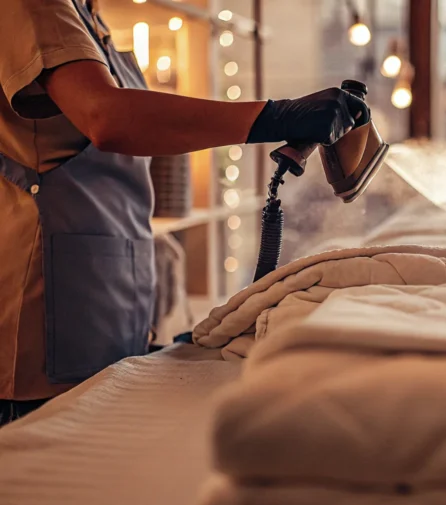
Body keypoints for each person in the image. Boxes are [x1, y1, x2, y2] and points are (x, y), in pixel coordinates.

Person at [0, 0, 368, 426]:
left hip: (105, 300)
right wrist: (274, 117)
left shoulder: (86, 14)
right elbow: (107, 117)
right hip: (45, 312)